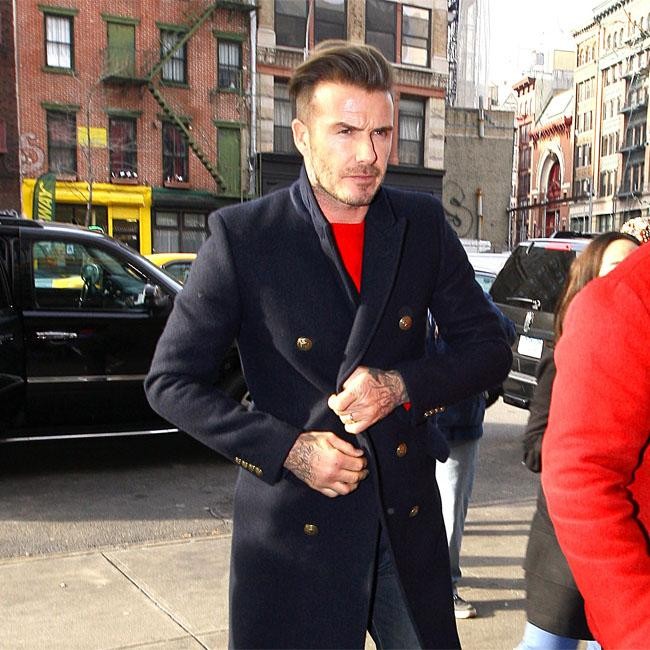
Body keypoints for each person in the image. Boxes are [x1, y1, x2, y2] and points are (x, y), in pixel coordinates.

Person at [145, 41, 512, 649]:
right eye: (345, 131)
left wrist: (400, 386)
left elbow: (489, 348)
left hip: (403, 522)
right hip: (296, 530)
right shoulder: (245, 236)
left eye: (382, 133)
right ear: (302, 136)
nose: (369, 154)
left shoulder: (420, 224)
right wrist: (288, 450)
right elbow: (170, 384)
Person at [518, 232, 639, 650]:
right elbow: (534, 445)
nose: (627, 279)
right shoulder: (568, 354)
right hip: (563, 556)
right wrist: (577, 448)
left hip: (623, 551)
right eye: (616, 269)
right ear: (589, 279)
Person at [432, 295, 515, 620]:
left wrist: (472, 310)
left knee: (450, 511)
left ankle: (444, 587)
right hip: (406, 422)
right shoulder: (403, 289)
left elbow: (505, 333)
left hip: (459, 424)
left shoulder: (467, 294)